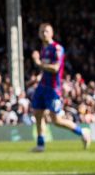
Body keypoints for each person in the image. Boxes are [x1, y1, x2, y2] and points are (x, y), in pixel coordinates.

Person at [28, 22, 91, 151]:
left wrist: (38, 63)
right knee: (38, 114)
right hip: (42, 86)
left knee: (56, 120)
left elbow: (56, 68)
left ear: (52, 33)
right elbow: (45, 69)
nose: (44, 33)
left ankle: (82, 132)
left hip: (53, 89)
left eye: (46, 31)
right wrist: (38, 77)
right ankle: (40, 145)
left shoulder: (57, 48)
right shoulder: (43, 49)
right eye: (41, 31)